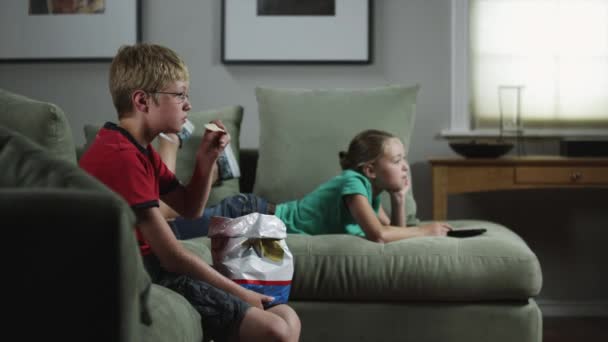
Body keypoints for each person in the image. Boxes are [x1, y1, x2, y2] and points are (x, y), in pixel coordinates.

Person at [79, 43, 300, 342]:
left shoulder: (137, 149)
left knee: (285, 317)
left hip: (155, 266)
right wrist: (241, 293)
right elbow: (172, 257)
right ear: (143, 101)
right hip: (147, 271)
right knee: (278, 328)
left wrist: (205, 161)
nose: (189, 105)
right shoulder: (121, 157)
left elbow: (189, 208)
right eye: (180, 95)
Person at [167, 129, 452, 243]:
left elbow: (393, 231)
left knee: (174, 227)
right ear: (370, 170)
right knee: (171, 231)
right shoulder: (353, 183)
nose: (405, 166)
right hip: (249, 215)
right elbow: (378, 234)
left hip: (259, 221)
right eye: (398, 159)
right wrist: (427, 230)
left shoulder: (370, 192)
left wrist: (400, 199)